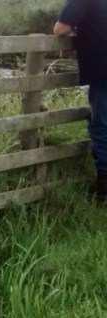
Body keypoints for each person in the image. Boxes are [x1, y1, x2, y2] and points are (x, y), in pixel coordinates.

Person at [55, 0, 107, 200]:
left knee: (102, 125)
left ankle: (103, 187)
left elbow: (60, 28)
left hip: (103, 69)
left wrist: (76, 33)